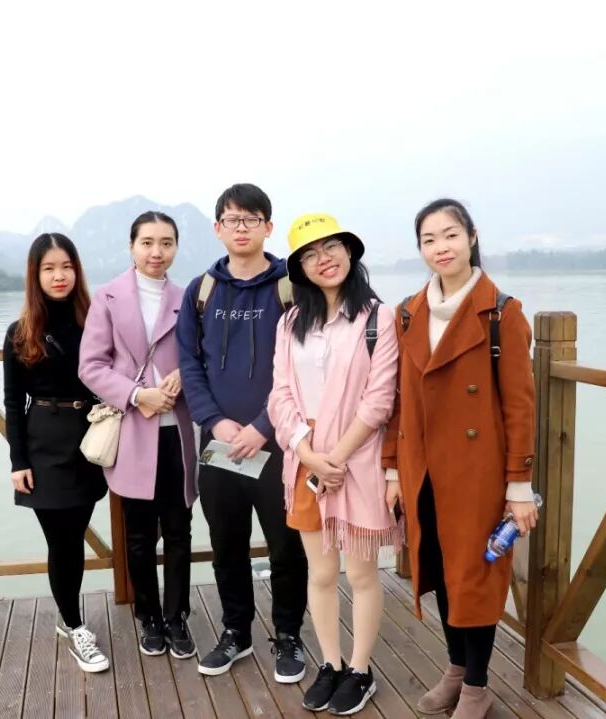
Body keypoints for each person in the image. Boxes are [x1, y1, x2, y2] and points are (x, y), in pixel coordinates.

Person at [382, 199, 538, 718]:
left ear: (472, 237)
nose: (440, 248)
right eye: (428, 240)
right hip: (423, 467)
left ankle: (477, 684)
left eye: (450, 235)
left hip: (477, 473)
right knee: (442, 568)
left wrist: (519, 485)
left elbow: (520, 407)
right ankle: (455, 666)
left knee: (475, 575)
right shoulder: (409, 312)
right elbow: (400, 399)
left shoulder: (502, 313)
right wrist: (391, 467)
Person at [175, 183, 309, 682]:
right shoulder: (202, 291)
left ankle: (289, 634)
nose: (241, 228)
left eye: (251, 219)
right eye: (232, 220)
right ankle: (236, 631)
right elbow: (189, 362)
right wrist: (215, 421)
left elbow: (304, 367)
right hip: (220, 444)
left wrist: (263, 426)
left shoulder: (292, 287)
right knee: (226, 542)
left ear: (268, 227)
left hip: (281, 443)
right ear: (218, 229)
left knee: (286, 544)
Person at [268, 213, 400, 715]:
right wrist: (307, 454)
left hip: (357, 459)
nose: (323, 259)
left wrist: (336, 458)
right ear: (299, 269)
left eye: (331, 247)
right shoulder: (289, 323)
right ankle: (330, 662)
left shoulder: (378, 317)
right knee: (320, 573)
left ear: (349, 252)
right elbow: (280, 394)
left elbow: (380, 398)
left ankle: (361, 669)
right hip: (306, 459)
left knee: (362, 574)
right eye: (310, 254)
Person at [79, 211, 198, 660]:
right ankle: (148, 615)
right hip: (133, 431)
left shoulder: (188, 298)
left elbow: (200, 356)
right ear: (131, 246)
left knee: (180, 530)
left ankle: (177, 617)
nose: (156, 252)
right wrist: (136, 394)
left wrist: (184, 375)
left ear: (176, 247)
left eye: (166, 243)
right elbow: (91, 366)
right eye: (147, 242)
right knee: (139, 534)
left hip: (178, 432)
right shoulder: (108, 297)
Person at [3, 232, 109, 673]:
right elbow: (13, 402)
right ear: (36, 275)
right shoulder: (21, 332)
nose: (59, 275)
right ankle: (74, 624)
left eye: (66, 267)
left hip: (90, 437)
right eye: (49, 268)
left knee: (75, 535)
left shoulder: (96, 320)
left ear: (77, 271)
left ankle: (69, 619)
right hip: (43, 439)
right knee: (60, 541)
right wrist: (18, 461)